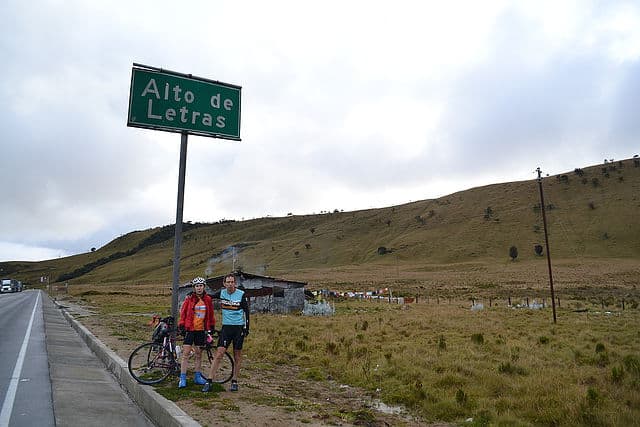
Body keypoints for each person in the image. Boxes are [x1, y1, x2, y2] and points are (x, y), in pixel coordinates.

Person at [202, 273, 250, 392]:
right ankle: (209, 380)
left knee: (237, 356)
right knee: (219, 354)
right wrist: (195, 294)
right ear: (224, 284)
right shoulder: (221, 293)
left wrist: (246, 328)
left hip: (238, 328)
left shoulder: (241, 294)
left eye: (232, 282)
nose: (230, 284)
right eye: (227, 282)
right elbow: (209, 296)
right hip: (226, 328)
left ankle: (234, 381)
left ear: (235, 283)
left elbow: (246, 311)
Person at [177, 276, 215, 388]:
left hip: (201, 330)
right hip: (190, 329)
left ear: (204, 287)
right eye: (197, 286)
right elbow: (183, 313)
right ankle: (182, 378)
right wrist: (182, 325)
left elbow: (210, 314)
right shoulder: (189, 299)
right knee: (186, 354)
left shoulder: (207, 299)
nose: (199, 288)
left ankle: (197, 377)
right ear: (194, 287)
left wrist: (211, 326)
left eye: (201, 286)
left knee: (198, 354)